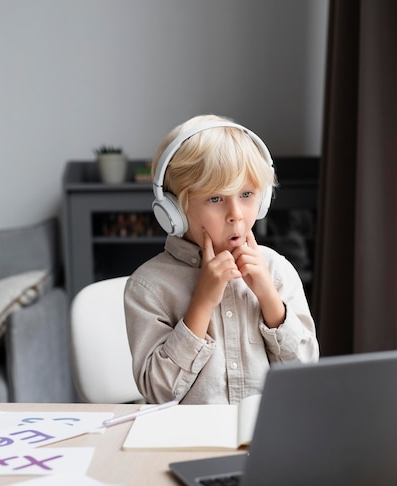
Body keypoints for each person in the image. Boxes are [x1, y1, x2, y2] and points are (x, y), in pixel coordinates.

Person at [124, 114, 319, 404]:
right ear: (172, 211)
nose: (236, 214)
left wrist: (268, 298)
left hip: (268, 440)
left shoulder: (276, 271)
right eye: (215, 198)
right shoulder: (147, 287)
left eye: (247, 194)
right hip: (190, 446)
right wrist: (201, 303)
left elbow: (305, 375)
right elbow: (158, 392)